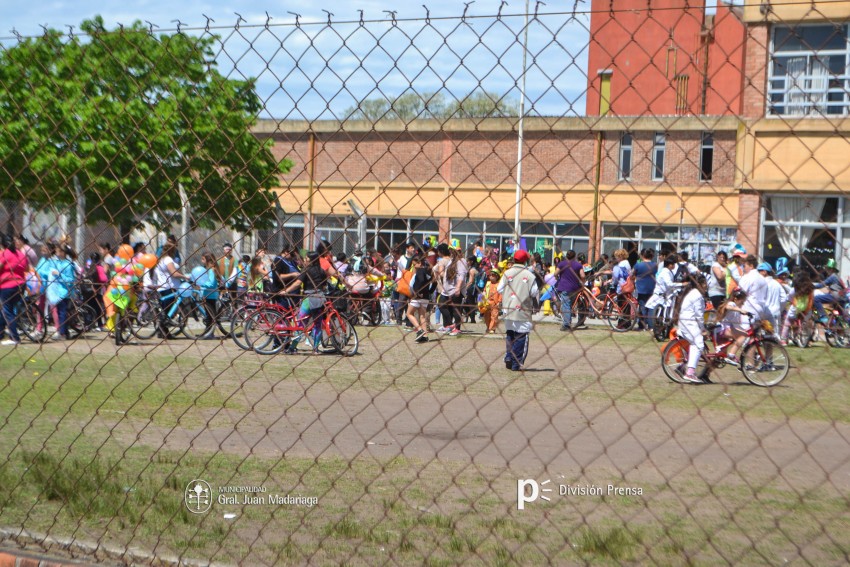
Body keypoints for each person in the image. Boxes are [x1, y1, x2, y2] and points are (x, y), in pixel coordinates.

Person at [498, 250, 538, 372]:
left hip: (508, 309)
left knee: (510, 333)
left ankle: (509, 356)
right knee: (522, 336)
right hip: (522, 310)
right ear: (525, 260)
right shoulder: (530, 275)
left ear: (514, 259)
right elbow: (534, 292)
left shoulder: (507, 273)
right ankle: (516, 363)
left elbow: (500, 289)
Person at [283, 251, 330, 354]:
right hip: (320, 298)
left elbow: (298, 283)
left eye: (306, 259)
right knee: (317, 325)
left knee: (300, 323)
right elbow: (324, 285)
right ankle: (316, 349)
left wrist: (286, 290)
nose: (304, 260)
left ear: (310, 260)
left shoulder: (306, 270)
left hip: (308, 299)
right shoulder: (322, 271)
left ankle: (292, 347)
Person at [676, 273, 709, 383]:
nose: (706, 286)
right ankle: (690, 373)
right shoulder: (697, 295)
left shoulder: (693, 293)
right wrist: (703, 328)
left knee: (694, 344)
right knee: (698, 344)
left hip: (686, 322)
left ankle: (682, 367)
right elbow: (699, 315)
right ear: (700, 284)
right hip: (689, 323)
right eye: (705, 283)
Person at [154, 241, 189, 339]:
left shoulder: (161, 259)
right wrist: (185, 277)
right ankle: (164, 331)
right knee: (168, 311)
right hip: (169, 287)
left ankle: (163, 332)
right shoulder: (168, 259)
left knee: (166, 311)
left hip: (163, 287)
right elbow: (174, 273)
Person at [0, 235, 28, 346]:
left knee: (7, 311)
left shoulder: (5, 253)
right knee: (7, 310)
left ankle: (14, 338)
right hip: (21, 285)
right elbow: (26, 268)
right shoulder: (20, 254)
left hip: (7, 285)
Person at [714, 287, 749, 365]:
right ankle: (731, 355)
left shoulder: (735, 308)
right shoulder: (732, 304)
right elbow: (728, 307)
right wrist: (740, 310)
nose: (742, 304)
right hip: (723, 329)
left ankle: (706, 373)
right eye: (742, 302)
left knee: (720, 358)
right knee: (743, 336)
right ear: (736, 299)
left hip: (725, 330)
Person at [780, 274, 814, 346]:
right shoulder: (810, 290)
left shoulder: (794, 290)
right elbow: (811, 301)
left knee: (787, 322)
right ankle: (806, 341)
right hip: (806, 310)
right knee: (805, 324)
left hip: (795, 309)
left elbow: (789, 298)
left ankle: (783, 339)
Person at [555, 249, 584, 331]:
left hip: (564, 287)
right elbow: (583, 275)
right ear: (574, 256)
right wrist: (582, 282)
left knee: (566, 305)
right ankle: (576, 320)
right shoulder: (578, 265)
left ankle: (566, 324)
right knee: (571, 305)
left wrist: (558, 278)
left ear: (566, 256)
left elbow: (555, 274)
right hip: (575, 287)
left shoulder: (562, 264)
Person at [406, 256, 433, 343]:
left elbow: (420, 281)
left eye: (414, 264)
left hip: (418, 297)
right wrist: (429, 292)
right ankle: (425, 336)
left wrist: (417, 292)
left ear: (420, 263)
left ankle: (419, 329)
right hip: (426, 297)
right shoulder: (428, 272)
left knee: (409, 313)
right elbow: (435, 282)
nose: (413, 266)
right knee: (422, 316)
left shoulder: (420, 271)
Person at [199, 253, 223, 339]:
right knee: (208, 315)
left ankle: (210, 334)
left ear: (208, 260)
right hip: (208, 295)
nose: (201, 261)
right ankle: (207, 332)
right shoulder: (208, 269)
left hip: (211, 295)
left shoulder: (212, 270)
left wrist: (201, 284)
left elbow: (212, 284)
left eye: (203, 259)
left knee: (210, 316)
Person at [632, 249, 657, 331]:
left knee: (642, 307)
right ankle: (651, 326)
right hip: (652, 288)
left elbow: (632, 274)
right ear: (652, 256)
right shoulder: (655, 265)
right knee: (651, 307)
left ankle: (642, 325)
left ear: (642, 255)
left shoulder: (638, 265)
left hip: (641, 288)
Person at [480, 269, 502, 334]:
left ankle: (492, 328)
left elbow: (501, 294)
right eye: (490, 275)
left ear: (497, 277)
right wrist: (481, 299)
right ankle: (488, 326)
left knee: (494, 316)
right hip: (487, 302)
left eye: (493, 275)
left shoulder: (499, 285)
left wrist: (499, 301)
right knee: (486, 316)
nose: (491, 276)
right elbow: (484, 291)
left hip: (494, 302)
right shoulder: (488, 283)